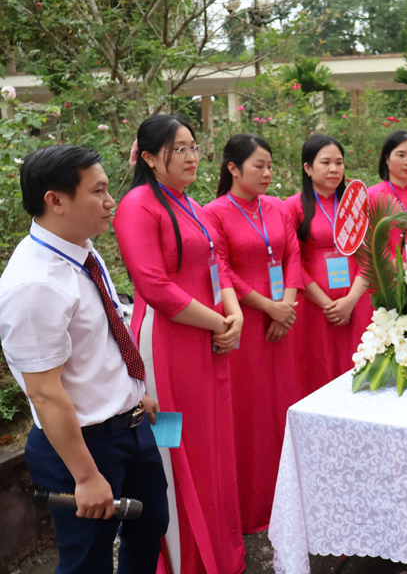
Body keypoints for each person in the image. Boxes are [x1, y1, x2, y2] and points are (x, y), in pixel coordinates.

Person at [0, 145, 168, 574]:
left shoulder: (82, 251)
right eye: (98, 191)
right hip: (84, 446)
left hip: (131, 427)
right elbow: (44, 393)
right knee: (87, 560)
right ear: (55, 200)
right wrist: (87, 476)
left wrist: (134, 392)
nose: (111, 201)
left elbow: (102, 339)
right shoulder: (35, 284)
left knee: (150, 527)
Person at [114, 115, 245, 574]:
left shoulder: (190, 204)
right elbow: (154, 286)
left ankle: (215, 549)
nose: (192, 157)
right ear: (150, 158)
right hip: (165, 351)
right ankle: (179, 558)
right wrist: (220, 322)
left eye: (194, 147)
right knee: (171, 444)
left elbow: (217, 265)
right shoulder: (137, 206)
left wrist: (234, 314)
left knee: (210, 443)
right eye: (180, 149)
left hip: (207, 343)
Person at [203, 134, 303, 534]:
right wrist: (267, 307)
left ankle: (290, 500)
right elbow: (221, 269)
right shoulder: (213, 213)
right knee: (251, 413)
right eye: (259, 166)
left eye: (270, 166)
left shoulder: (277, 208)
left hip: (283, 323)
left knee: (284, 408)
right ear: (233, 168)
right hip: (245, 322)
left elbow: (292, 255)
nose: (267, 173)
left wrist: (287, 307)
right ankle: (253, 506)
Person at [285, 135, 373, 390]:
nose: (334, 169)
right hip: (314, 306)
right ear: (308, 167)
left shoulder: (356, 205)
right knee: (317, 370)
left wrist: (351, 300)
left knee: (358, 367)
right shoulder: (292, 206)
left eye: (339, 162)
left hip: (355, 301)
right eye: (325, 162)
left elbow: (369, 256)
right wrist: (327, 304)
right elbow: (292, 262)